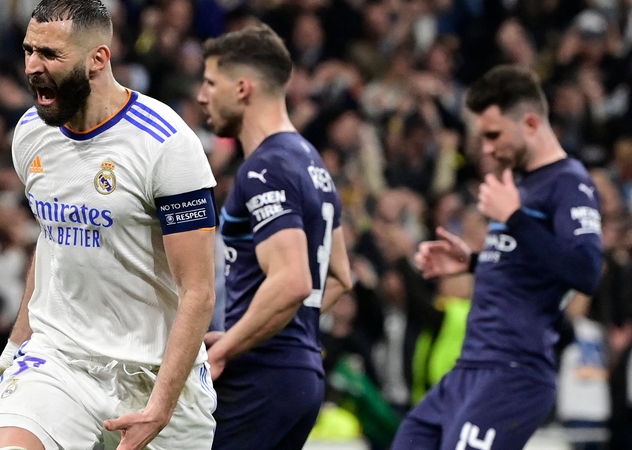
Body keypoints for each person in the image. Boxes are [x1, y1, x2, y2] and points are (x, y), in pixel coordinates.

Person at [0, 1, 218, 449]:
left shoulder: (166, 145)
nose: (33, 67)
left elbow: (198, 290)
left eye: (50, 55)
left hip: (154, 376)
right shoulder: (31, 133)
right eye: (28, 51)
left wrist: (162, 402)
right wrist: (11, 354)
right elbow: (53, 244)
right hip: (60, 362)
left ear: (98, 59)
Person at [395, 64, 604, 449]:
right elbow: (533, 263)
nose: (487, 148)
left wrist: (514, 218)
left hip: (513, 374)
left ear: (529, 123)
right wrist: (475, 261)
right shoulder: (521, 182)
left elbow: (587, 270)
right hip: (468, 370)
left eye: (493, 135)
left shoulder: (569, 183)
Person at [196, 24, 352, 450]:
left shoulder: (265, 169)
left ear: (242, 88)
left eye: (211, 82)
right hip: (299, 377)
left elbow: (294, 280)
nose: (201, 96)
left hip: (261, 379)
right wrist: (265, 329)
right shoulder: (310, 161)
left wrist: (230, 344)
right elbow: (338, 276)